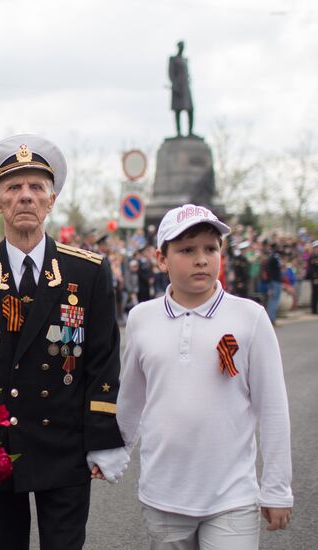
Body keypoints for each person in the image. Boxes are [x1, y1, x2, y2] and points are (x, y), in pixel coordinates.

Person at [0, 134, 129, 550]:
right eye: (14, 187)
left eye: (36, 187)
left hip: (64, 445)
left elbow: (102, 363)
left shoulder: (87, 272)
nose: (26, 196)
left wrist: (103, 437)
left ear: (51, 200)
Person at [117, 204, 293, 549]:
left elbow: (273, 407)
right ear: (161, 258)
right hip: (163, 494)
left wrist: (277, 488)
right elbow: (131, 401)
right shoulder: (141, 319)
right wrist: (114, 453)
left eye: (211, 249)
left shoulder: (250, 318)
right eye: (186, 250)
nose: (201, 259)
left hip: (232, 497)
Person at [168, 41, 194, 137]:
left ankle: (190, 131)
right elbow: (170, 73)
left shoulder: (185, 59)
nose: (182, 48)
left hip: (186, 87)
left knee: (190, 109)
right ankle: (178, 132)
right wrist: (175, 85)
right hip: (178, 87)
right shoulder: (173, 59)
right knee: (177, 110)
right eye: (181, 46)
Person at [266, 243, 283, 324]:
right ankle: (272, 319)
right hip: (275, 281)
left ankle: (271, 318)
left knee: (272, 300)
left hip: (274, 281)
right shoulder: (274, 257)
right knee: (274, 300)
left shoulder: (271, 257)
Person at [306, 240, 318, 314]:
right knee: (315, 294)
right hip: (315, 278)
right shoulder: (312, 257)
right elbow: (311, 269)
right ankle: (314, 310)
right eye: (316, 248)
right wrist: (315, 277)